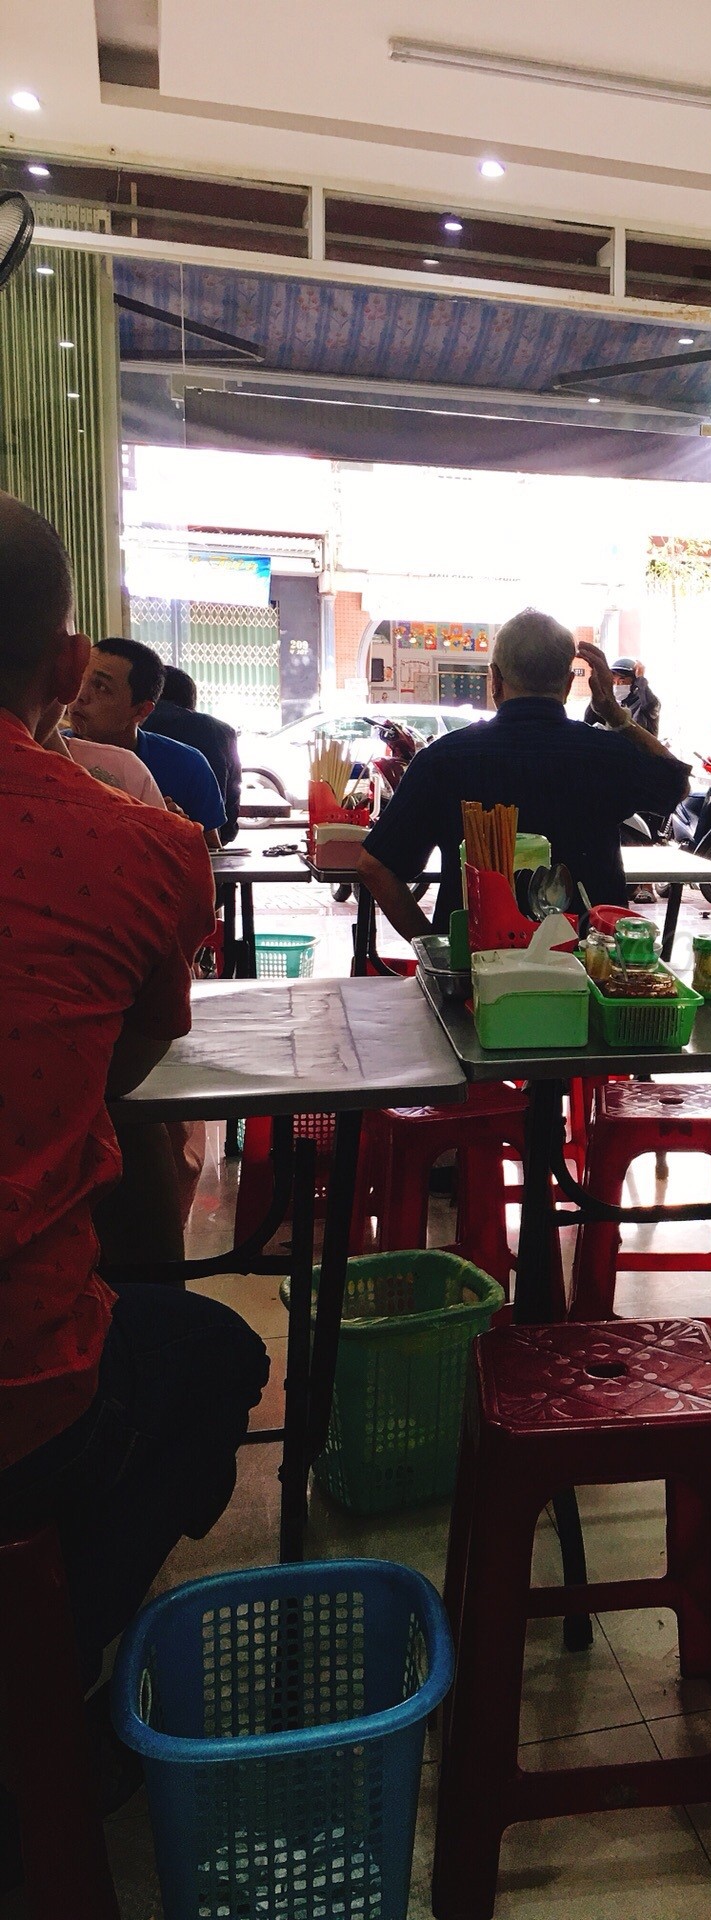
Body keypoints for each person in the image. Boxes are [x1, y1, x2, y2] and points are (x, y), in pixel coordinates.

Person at [0, 494, 268, 1736]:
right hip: (27, 1392)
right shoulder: (141, 848)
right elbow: (130, 1069)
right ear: (70, 670)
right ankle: (44, 1689)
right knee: (214, 1359)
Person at [358, 613, 690, 935]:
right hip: (586, 964)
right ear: (568, 684)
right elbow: (676, 785)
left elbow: (375, 866)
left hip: (473, 965)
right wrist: (615, 715)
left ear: (494, 680)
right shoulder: (608, 755)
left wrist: (433, 946)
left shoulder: (442, 760)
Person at [68, 636, 227, 847]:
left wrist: (178, 831)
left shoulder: (188, 765)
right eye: (80, 678)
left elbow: (212, 855)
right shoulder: (50, 752)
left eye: (101, 687)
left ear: (141, 710)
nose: (80, 695)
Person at [143, 664, 243, 844]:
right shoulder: (220, 732)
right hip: (207, 843)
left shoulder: (126, 725)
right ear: (191, 702)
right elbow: (229, 820)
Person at [586, 656, 660, 735]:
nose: (617, 685)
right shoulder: (611, 704)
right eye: (614, 682)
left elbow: (650, 705)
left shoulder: (644, 703)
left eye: (622, 682)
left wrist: (640, 679)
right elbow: (589, 722)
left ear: (634, 683)